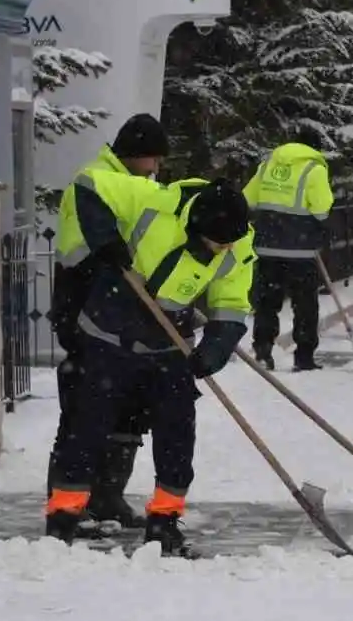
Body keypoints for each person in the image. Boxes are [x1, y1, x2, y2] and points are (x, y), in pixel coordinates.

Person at [46, 174, 256, 556]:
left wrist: (214, 349)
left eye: (230, 242)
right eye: (216, 241)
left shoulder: (236, 245)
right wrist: (105, 240)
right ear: (195, 228)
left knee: (177, 437)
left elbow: (233, 304)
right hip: (107, 335)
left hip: (167, 346)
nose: (223, 249)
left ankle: (164, 521)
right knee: (86, 431)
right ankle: (62, 520)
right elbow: (87, 185)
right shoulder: (153, 201)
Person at [46, 113, 167, 529]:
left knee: (129, 401)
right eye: (152, 159)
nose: (156, 169)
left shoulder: (133, 183)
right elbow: (100, 244)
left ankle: (108, 495)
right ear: (136, 155)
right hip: (85, 299)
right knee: (86, 404)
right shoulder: (97, 180)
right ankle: (68, 500)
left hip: (120, 304)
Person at [243, 126, 334, 372]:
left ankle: (263, 351)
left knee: (267, 304)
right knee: (305, 305)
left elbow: (248, 198)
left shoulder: (268, 165)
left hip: (266, 247)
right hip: (300, 251)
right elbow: (321, 209)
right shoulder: (314, 169)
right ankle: (303, 357)